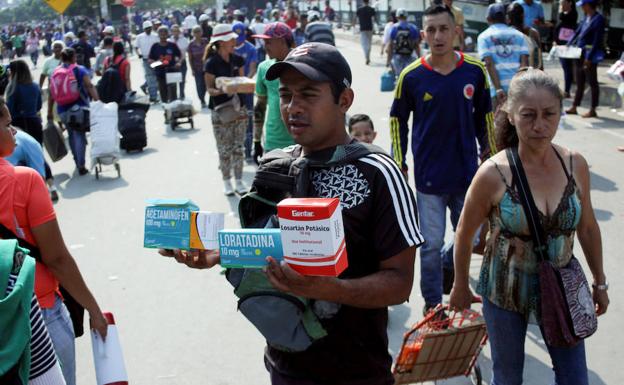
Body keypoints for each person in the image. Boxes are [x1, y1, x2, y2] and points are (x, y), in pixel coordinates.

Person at [161, 41, 422, 385]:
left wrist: (327, 289)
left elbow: (399, 283)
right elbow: (266, 247)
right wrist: (215, 254)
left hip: (357, 370)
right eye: (285, 95)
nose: (292, 107)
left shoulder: (377, 172)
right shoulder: (274, 165)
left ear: (344, 100)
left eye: (308, 94)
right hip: (285, 366)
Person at [450, 68, 609, 385]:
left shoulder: (574, 164)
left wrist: (600, 282)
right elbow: (464, 235)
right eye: (528, 115)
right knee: (507, 377)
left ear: (560, 113)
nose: (540, 125)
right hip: (504, 290)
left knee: (575, 378)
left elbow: (588, 227)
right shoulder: (493, 174)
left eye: (549, 114)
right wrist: (459, 285)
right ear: (510, 114)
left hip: (562, 287)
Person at [390, 5, 495, 313]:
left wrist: (491, 152)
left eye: (444, 29)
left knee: (472, 237)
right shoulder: (411, 76)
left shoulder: (475, 71)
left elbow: (485, 116)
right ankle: (433, 305)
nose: (438, 36)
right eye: (431, 30)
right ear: (423, 35)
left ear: (456, 32)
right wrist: (400, 160)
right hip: (429, 179)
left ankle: (454, 273)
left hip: (468, 175)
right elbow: (397, 120)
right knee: (431, 246)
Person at [0, 97, 108, 385]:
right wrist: (94, 310)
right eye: (8, 124)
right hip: (36, 314)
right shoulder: (23, 182)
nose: (14, 132)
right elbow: (57, 259)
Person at [5, 59, 59, 202]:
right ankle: (52, 186)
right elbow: (39, 106)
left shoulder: (13, 88)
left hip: (18, 125)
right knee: (37, 153)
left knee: (18, 158)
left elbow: (8, 111)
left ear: (14, 72)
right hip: (34, 122)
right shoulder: (35, 86)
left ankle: (29, 192)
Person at [203, 24, 248, 196]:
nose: (234, 41)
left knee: (239, 147)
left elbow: (242, 81)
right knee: (224, 148)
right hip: (221, 110)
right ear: (221, 42)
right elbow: (210, 89)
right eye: (231, 39)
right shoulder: (211, 63)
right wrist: (223, 89)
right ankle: (226, 181)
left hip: (240, 108)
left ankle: (239, 180)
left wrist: (242, 86)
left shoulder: (237, 60)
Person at [251, 22, 296, 163]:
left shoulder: (302, 66)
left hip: (300, 142)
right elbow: (260, 105)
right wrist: (257, 140)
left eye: (268, 42)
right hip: (273, 142)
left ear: (282, 41)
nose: (265, 46)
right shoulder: (264, 68)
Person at [54, 48, 99, 175]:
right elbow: (89, 85)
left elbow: (53, 94)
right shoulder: (79, 69)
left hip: (62, 108)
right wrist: (98, 101)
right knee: (79, 134)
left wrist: (50, 113)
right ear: (73, 57)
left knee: (71, 134)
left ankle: (76, 160)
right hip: (79, 108)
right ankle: (81, 164)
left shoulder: (56, 72)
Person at [478, 3, 529, 105]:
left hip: (496, 89)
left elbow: (488, 63)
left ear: (488, 18)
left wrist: (498, 89)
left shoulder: (483, 37)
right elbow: (524, 64)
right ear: (506, 18)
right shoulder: (519, 35)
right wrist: (519, 86)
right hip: (517, 88)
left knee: (497, 120)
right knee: (516, 120)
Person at [565, 0, 605, 118]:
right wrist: (567, 45)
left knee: (592, 82)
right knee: (579, 81)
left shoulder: (598, 19)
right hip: (579, 53)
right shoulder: (585, 17)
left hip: (590, 56)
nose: (581, 7)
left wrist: (589, 58)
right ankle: (574, 106)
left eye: (583, 5)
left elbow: (597, 41)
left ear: (588, 5)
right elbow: (577, 33)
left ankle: (593, 109)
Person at [232, 22, 259, 162]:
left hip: (246, 90)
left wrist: (243, 82)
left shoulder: (251, 49)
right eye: (235, 36)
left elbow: (253, 68)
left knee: (248, 119)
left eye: (240, 36)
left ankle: (248, 151)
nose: (237, 39)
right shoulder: (227, 49)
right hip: (231, 91)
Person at [148, 26, 182, 103]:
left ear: (167, 35)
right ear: (158, 35)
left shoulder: (172, 45)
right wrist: (156, 63)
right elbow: (150, 59)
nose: (163, 36)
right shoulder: (155, 46)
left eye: (165, 34)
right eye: (161, 34)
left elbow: (180, 55)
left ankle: (174, 110)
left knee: (173, 94)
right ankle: (166, 110)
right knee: (163, 93)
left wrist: (178, 62)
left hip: (172, 71)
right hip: (160, 73)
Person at [508, 2, 543, 70]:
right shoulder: (533, 33)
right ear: (523, 15)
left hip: (528, 75)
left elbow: (539, 60)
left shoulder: (532, 33)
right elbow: (540, 63)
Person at [554, 0, 578, 98]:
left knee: (567, 67)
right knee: (565, 67)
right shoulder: (564, 14)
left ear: (569, 3)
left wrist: (561, 10)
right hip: (560, 43)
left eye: (563, 3)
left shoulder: (572, 14)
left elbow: (562, 17)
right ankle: (567, 88)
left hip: (567, 44)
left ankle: (567, 90)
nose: (561, 6)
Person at [387, 8, 420, 78]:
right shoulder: (413, 28)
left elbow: (390, 45)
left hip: (397, 57)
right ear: (406, 16)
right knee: (409, 76)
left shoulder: (394, 28)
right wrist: (419, 58)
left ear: (397, 17)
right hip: (410, 56)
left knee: (399, 76)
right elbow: (416, 45)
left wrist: (388, 60)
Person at [135, 21, 160, 102]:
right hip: (146, 59)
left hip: (156, 59)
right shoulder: (140, 37)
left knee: (156, 76)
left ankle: (146, 87)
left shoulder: (156, 36)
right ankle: (153, 96)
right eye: (146, 29)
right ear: (144, 29)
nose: (148, 30)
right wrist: (138, 54)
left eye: (149, 28)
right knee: (150, 77)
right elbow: (136, 47)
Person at [188, 25, 209, 108]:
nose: (197, 33)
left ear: (202, 32)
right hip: (197, 68)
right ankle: (202, 100)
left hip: (207, 67)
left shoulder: (205, 41)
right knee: (199, 85)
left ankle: (206, 98)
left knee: (206, 84)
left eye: (199, 31)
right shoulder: (191, 44)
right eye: (195, 32)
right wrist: (192, 69)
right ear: (193, 33)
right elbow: (190, 58)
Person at [354, 0, 377, 65]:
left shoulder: (359, 9)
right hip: (370, 28)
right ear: (368, 1)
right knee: (369, 43)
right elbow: (374, 19)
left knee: (364, 43)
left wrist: (353, 25)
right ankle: (368, 56)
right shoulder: (371, 9)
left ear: (363, 2)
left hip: (363, 29)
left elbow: (355, 18)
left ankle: (366, 57)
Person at [169, 24, 189, 99]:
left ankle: (182, 95)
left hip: (182, 63)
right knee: (173, 82)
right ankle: (174, 97)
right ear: (171, 32)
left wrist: (180, 61)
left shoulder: (184, 40)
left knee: (182, 80)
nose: (175, 32)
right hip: (172, 64)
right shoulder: (169, 40)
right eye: (174, 31)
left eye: (177, 31)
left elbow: (185, 52)